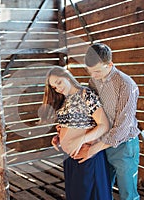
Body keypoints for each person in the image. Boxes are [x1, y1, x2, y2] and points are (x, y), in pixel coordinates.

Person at [72, 43, 141, 200]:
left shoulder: (126, 85)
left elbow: (122, 127)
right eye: (90, 71)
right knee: (103, 190)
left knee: (128, 195)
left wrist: (94, 149)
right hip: (101, 144)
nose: (93, 75)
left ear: (110, 64)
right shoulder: (94, 81)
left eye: (97, 71)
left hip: (124, 146)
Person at [41, 66, 112, 200]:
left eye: (59, 82)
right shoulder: (64, 100)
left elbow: (104, 125)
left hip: (87, 157)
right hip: (70, 159)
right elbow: (73, 126)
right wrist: (59, 137)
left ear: (67, 76)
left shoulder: (86, 94)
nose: (58, 88)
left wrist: (81, 140)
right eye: (54, 87)